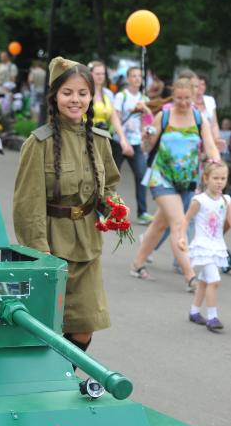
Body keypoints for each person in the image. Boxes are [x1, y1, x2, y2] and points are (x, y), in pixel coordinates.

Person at [14, 57, 122, 355]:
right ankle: (46, 388)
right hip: (51, 246)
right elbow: (27, 205)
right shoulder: (39, 143)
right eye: (68, 93)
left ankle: (62, 376)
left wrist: (115, 208)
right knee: (47, 326)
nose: (76, 99)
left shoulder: (99, 140)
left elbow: (108, 186)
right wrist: (40, 252)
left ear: (91, 97)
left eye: (83, 93)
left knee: (84, 327)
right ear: (54, 96)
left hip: (87, 244)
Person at [131, 77, 221, 290]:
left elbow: (210, 146)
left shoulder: (199, 119)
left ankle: (137, 264)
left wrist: (216, 165)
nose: (182, 102)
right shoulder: (164, 116)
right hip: (161, 177)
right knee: (179, 223)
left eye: (187, 98)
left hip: (187, 181)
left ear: (194, 96)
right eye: (178, 98)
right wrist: (146, 136)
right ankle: (191, 278)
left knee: (159, 224)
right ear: (174, 95)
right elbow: (146, 147)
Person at [179, 160, 231, 331]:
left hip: (217, 245)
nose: (220, 182)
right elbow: (186, 220)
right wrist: (181, 237)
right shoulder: (199, 200)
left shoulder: (226, 199)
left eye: (223, 178)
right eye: (216, 178)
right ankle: (212, 317)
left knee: (204, 281)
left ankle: (194, 311)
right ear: (206, 178)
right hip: (202, 245)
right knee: (214, 280)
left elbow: (229, 221)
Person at [111, 66, 153, 225]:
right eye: (133, 76)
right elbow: (116, 119)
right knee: (112, 177)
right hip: (119, 142)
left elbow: (148, 123)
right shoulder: (121, 96)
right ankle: (105, 209)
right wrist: (123, 141)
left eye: (139, 77)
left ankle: (142, 212)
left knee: (142, 176)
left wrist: (144, 138)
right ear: (128, 79)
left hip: (136, 143)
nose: (136, 79)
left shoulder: (144, 99)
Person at [88, 60, 133, 156]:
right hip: (86, 137)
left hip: (103, 137)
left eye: (103, 74)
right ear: (90, 74)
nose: (101, 76)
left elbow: (114, 118)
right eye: (97, 74)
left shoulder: (108, 94)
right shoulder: (84, 92)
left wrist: (123, 139)